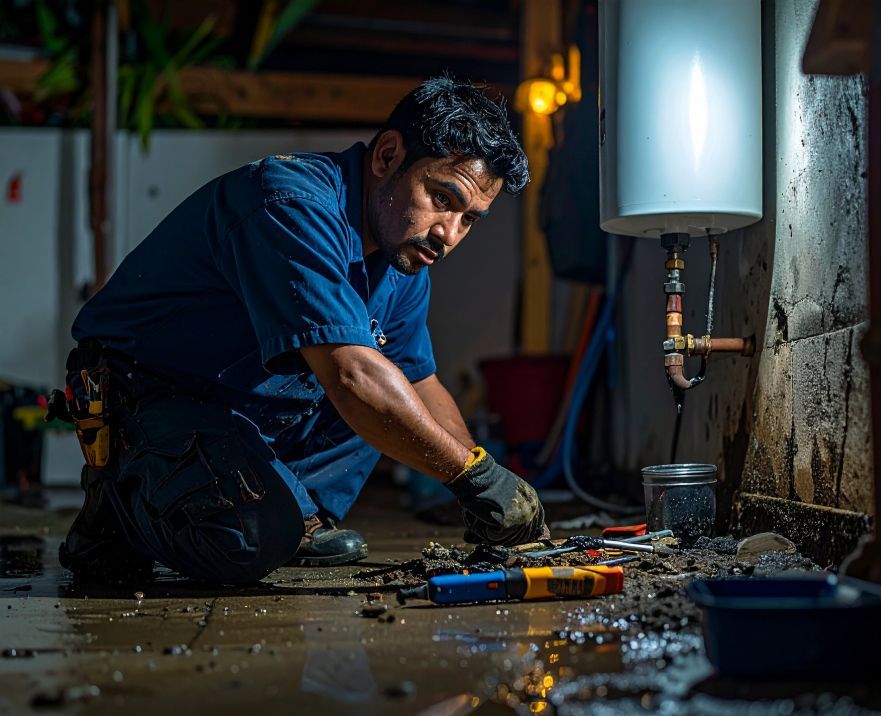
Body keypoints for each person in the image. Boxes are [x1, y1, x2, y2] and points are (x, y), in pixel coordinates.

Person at [52, 75, 549, 585]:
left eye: (470, 220)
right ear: (387, 156)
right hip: (150, 392)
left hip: (245, 405)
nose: (449, 234)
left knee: (393, 395)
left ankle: (296, 516)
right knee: (251, 541)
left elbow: (419, 382)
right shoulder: (289, 203)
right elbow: (353, 377)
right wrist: (472, 477)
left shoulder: (403, 259)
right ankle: (115, 508)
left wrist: (484, 476)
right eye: (443, 199)